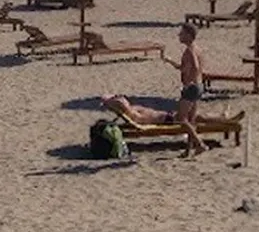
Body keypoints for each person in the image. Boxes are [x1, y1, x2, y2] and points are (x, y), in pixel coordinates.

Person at [160, 23, 208, 157]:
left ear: (188, 35)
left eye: (182, 33)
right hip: (198, 86)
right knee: (191, 120)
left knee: (181, 118)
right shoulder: (196, 49)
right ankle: (188, 150)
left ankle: (200, 144)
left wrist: (189, 83)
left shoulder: (190, 50)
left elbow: (196, 67)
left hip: (192, 88)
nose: (179, 35)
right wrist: (169, 61)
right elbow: (184, 67)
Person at [100, 95, 240, 127]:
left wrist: (109, 101)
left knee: (198, 116)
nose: (123, 98)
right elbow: (119, 104)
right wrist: (112, 102)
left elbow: (116, 101)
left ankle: (222, 117)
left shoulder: (133, 110)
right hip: (169, 119)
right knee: (198, 117)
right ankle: (227, 120)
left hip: (168, 116)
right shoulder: (135, 115)